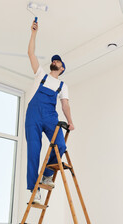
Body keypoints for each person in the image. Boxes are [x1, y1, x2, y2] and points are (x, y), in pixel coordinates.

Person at [25, 19, 75, 203]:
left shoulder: (63, 85)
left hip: (50, 116)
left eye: (58, 61)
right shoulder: (41, 74)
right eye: (54, 60)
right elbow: (30, 53)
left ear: (61, 68)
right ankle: (34, 190)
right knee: (33, 151)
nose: (55, 61)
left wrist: (70, 121)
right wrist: (33, 33)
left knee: (60, 145)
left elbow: (65, 105)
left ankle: (46, 174)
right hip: (33, 115)